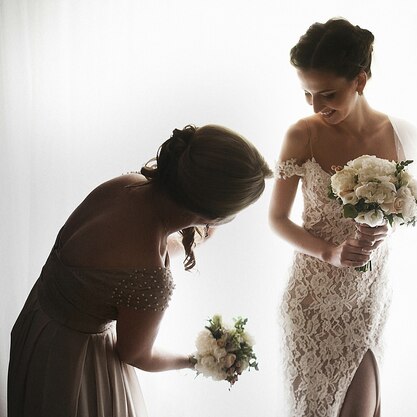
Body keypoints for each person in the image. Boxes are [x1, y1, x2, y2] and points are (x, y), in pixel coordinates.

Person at [8, 124, 272, 417]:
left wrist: (187, 242)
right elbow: (135, 354)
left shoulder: (125, 185)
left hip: (38, 326)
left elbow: (111, 263)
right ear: (214, 217)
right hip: (73, 366)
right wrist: (197, 360)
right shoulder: (151, 277)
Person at [269, 18, 417, 417]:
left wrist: (385, 224)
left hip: (370, 296)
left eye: (327, 93)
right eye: (307, 94)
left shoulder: (402, 135)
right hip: (311, 299)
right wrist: (331, 252)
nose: (317, 107)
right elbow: (278, 219)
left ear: (361, 80)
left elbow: (404, 208)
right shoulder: (301, 135)